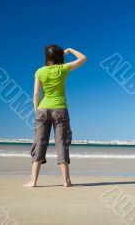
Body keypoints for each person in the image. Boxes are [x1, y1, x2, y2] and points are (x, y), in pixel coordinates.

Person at [24, 45, 87, 187]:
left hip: (42, 109)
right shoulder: (63, 68)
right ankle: (66, 181)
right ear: (60, 56)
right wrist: (69, 50)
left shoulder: (39, 71)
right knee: (61, 143)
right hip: (60, 110)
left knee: (39, 142)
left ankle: (33, 181)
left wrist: (36, 110)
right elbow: (83, 58)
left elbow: (35, 94)